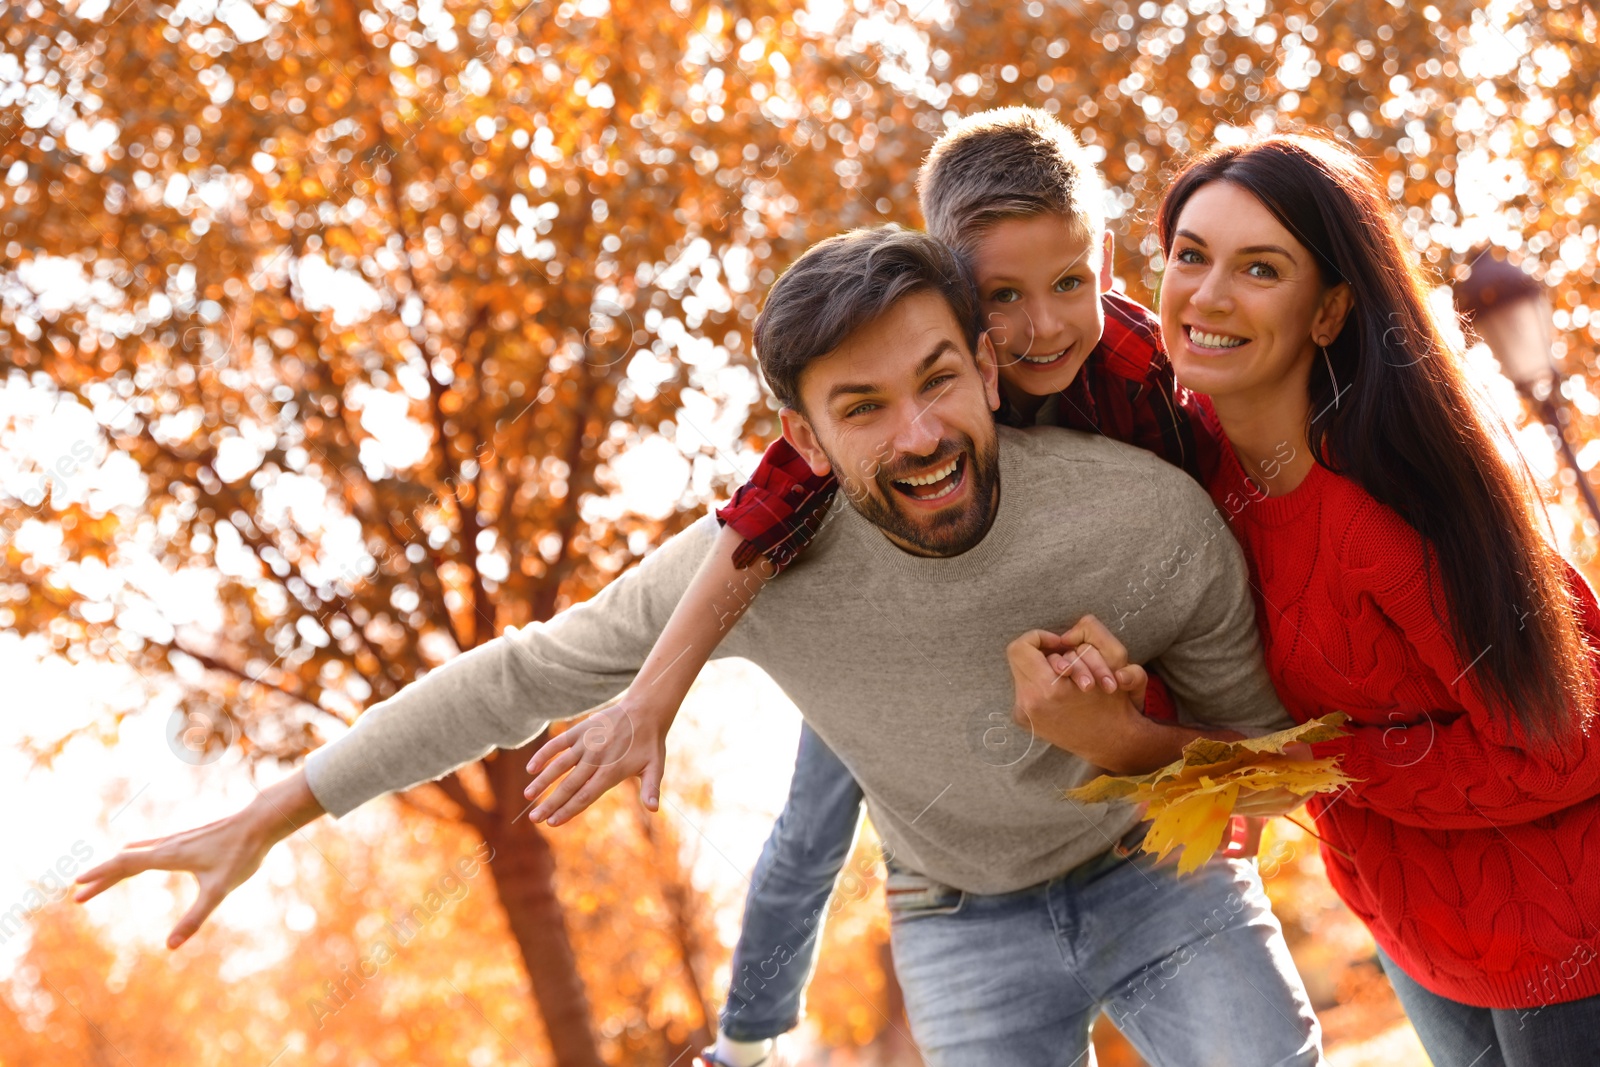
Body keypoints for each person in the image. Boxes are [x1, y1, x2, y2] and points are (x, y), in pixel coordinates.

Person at [77, 225, 1323, 1066]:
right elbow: (517, 673)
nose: (918, 432)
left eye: (938, 379)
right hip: (961, 914)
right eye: (861, 408)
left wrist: (1123, 734)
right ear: (801, 434)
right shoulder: (754, 568)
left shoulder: (1145, 524)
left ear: (991, 370)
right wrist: (276, 808)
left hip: (1156, 870)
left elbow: (1263, 766)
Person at [520, 107, 1235, 1067]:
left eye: (1070, 283)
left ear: (1103, 264)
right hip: (900, 638)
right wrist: (653, 694)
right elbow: (753, 529)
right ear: (950, 301)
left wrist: (1190, 756)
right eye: (1001, 300)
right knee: (811, 824)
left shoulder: (1140, 371)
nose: (1040, 328)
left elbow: (1192, 548)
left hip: (1066, 641)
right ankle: (751, 1038)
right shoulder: (888, 396)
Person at [1154, 133, 1600, 1067]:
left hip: (1568, 935)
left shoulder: (1387, 512)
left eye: (1260, 268)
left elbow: (1570, 742)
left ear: (1329, 313)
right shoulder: (1200, 478)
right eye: (1189, 254)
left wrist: (1326, 766)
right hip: (1417, 932)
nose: (1207, 294)